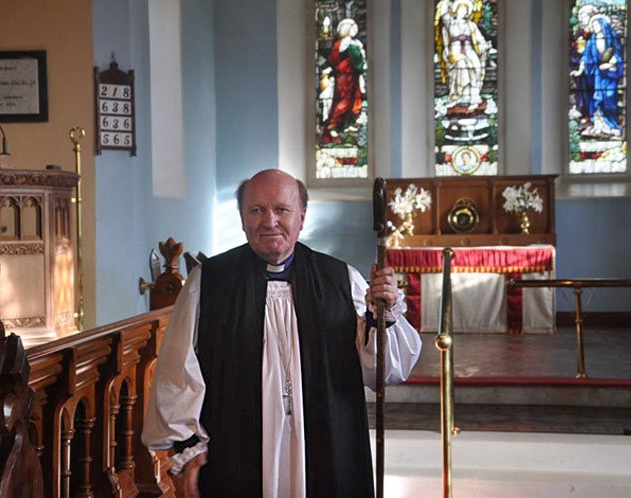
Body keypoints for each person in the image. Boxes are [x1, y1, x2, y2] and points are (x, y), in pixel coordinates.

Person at [142, 169, 421, 497]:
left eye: (281, 209)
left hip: (330, 446)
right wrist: (186, 448)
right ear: (242, 218)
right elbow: (178, 370)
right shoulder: (209, 283)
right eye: (256, 210)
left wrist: (384, 315)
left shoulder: (342, 280)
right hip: (233, 450)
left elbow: (383, 371)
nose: (268, 220)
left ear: (301, 217)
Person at [570, 13, 624, 137]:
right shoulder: (592, 41)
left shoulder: (611, 37)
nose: (594, 27)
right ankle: (599, 125)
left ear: (603, 24)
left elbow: (618, 53)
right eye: (593, 24)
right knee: (596, 99)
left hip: (610, 74)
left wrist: (610, 64)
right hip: (597, 75)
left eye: (596, 24)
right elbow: (586, 57)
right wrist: (580, 70)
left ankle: (612, 125)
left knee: (609, 96)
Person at [436, 0, 490, 110]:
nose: (464, 12)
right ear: (456, 11)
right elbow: (443, 14)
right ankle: (456, 96)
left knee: (476, 67)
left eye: (466, 10)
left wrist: (485, 45)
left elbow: (480, 39)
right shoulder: (450, 23)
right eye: (462, 9)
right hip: (455, 51)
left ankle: (474, 98)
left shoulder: (471, 25)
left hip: (469, 50)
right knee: (462, 64)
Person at [320, 18, 367, 144]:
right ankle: (334, 125)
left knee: (343, 101)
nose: (354, 31)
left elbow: (331, 60)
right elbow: (358, 63)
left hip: (341, 78)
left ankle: (341, 125)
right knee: (346, 101)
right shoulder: (351, 45)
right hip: (348, 78)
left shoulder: (337, 45)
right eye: (352, 29)